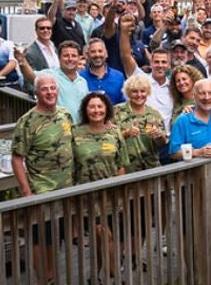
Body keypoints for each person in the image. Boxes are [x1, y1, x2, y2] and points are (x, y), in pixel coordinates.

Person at [12, 74, 74, 282]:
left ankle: (53, 276)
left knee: (58, 238)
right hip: (42, 191)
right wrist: (27, 192)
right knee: (41, 239)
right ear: (37, 92)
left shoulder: (65, 115)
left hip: (67, 188)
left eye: (53, 88)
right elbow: (17, 159)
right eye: (44, 89)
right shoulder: (27, 121)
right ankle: (44, 279)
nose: (49, 92)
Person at [72, 92, 129, 279]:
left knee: (105, 237)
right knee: (101, 234)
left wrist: (119, 191)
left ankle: (99, 274)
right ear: (85, 110)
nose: (96, 110)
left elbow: (121, 163)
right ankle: (112, 273)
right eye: (92, 107)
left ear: (106, 109)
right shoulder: (75, 133)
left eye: (100, 106)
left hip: (111, 195)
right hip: (87, 196)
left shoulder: (114, 132)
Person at [17, 40, 89, 123]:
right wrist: (21, 60)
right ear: (59, 58)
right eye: (66, 56)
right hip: (58, 131)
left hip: (79, 132)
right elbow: (31, 77)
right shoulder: (50, 75)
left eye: (73, 56)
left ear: (79, 58)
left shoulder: (83, 82)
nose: (70, 59)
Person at [114, 75, 167, 173]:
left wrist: (158, 135)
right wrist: (126, 133)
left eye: (143, 91)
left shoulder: (154, 113)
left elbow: (162, 143)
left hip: (151, 169)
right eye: (134, 91)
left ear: (148, 92)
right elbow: (110, 140)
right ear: (128, 93)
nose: (139, 95)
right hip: (127, 170)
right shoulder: (117, 111)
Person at [169, 79, 211, 159]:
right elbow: (174, 153)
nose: (207, 97)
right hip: (192, 170)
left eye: (210, 93)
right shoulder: (183, 120)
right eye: (202, 93)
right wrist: (198, 152)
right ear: (194, 96)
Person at [79, 38, 126, 104]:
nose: (97, 55)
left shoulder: (119, 77)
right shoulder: (80, 77)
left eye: (100, 51)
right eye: (93, 52)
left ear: (106, 54)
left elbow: (123, 103)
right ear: (87, 55)